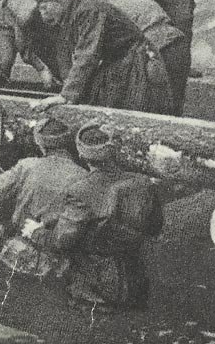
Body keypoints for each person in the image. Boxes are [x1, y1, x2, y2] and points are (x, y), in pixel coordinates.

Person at [45, 123, 163, 312]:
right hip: (136, 282)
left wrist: (37, 232)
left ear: (81, 154)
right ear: (113, 151)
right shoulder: (144, 183)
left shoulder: (80, 190)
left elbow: (62, 241)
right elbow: (155, 227)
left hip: (97, 290)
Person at [29, 0, 172, 114]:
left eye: (44, 8)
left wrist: (66, 95)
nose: (43, 15)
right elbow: (66, 53)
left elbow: (87, 55)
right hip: (117, 61)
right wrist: (67, 91)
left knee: (132, 107)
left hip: (135, 60)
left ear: (58, 1)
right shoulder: (70, 15)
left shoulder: (89, 11)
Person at [0, 118, 86, 276]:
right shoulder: (83, 176)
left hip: (19, 250)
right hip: (58, 262)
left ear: (41, 144)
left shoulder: (27, 166)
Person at [90, 0, 190, 116]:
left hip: (156, 47)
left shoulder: (107, 8)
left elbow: (99, 47)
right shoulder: (142, 1)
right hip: (179, 42)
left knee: (152, 101)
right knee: (175, 98)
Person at [0, 0, 57, 89]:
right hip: (4, 23)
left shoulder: (58, 11)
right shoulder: (26, 14)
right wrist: (41, 69)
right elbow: (22, 46)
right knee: (5, 59)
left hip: (25, 23)